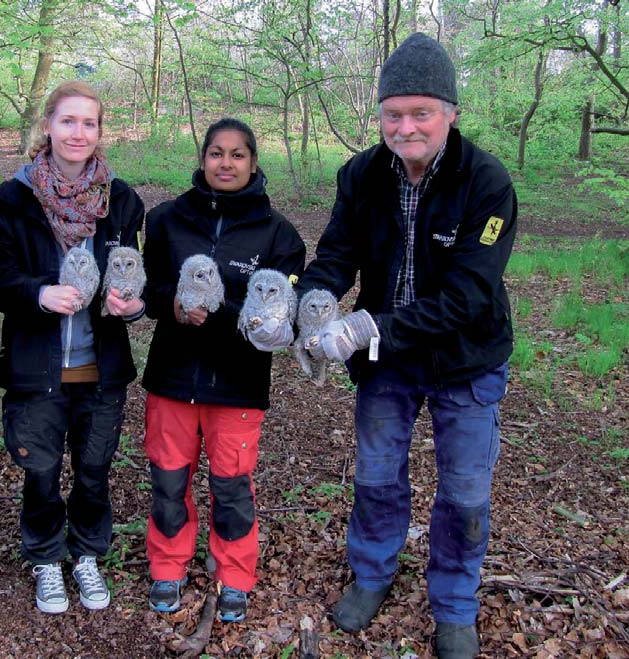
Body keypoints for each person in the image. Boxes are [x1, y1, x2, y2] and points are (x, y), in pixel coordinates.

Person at [295, 33, 517, 658]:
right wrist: (310, 308)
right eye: (394, 113)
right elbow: (336, 256)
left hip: (465, 360)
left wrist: (368, 327)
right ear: (381, 116)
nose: (407, 125)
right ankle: (372, 575)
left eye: (421, 112)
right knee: (376, 476)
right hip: (387, 366)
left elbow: (471, 295)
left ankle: (454, 605)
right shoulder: (361, 175)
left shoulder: (487, 182)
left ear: (450, 113)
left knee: (466, 493)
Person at [0, 81, 145, 615]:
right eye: (68, 121)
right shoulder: (13, 199)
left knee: (95, 469)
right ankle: (47, 558)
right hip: (38, 367)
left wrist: (132, 304)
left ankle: (87, 554)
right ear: (48, 127)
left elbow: (131, 273)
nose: (79, 133)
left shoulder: (121, 201)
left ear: (101, 132)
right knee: (41, 471)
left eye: (89, 123)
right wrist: (38, 292)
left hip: (101, 368)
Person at [142, 118, 306, 623]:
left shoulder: (279, 234)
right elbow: (146, 291)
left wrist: (232, 314)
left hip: (238, 384)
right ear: (203, 158)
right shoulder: (167, 220)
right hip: (172, 378)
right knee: (169, 480)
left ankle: (234, 573)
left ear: (253, 162)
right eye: (216, 153)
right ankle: (167, 566)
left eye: (237, 155)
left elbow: (283, 315)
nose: (226, 163)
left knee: (232, 484)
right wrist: (173, 306)